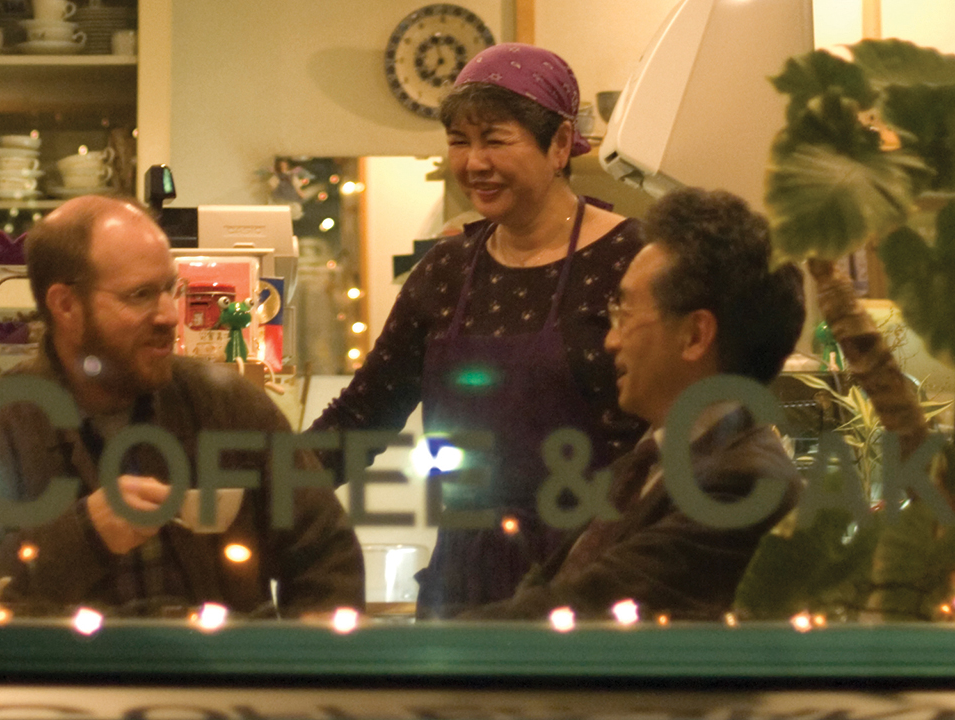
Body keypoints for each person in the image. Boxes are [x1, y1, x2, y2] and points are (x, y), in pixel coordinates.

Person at [0, 196, 364, 617]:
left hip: (217, 693)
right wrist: (82, 538)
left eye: (171, 289)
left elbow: (329, 564)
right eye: (140, 295)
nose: (169, 315)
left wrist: (291, 685)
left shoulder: (231, 408)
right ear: (65, 305)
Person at [309, 43, 646, 618]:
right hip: (464, 574)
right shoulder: (446, 270)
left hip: (597, 570)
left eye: (495, 138)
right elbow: (363, 415)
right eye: (459, 142)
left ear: (560, 144)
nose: (474, 162)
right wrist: (259, 493)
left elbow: (670, 430)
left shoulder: (631, 259)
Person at [461, 187, 807, 621]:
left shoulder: (745, 483)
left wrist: (422, 650)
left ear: (695, 335)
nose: (610, 340)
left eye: (624, 313)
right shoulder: (641, 464)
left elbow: (580, 613)